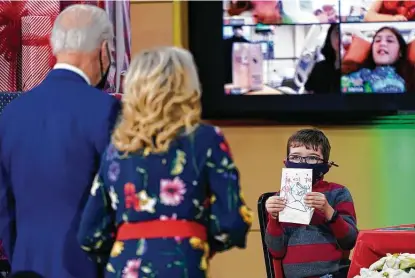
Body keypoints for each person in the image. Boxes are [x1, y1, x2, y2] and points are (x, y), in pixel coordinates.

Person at [77, 46, 252, 278]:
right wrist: (193, 238)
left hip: (124, 268)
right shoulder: (206, 140)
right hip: (182, 266)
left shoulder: (117, 149)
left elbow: (90, 235)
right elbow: (230, 223)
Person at [0, 4, 120, 278]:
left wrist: (22, 257)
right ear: (103, 50)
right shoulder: (106, 110)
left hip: (27, 265)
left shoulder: (11, 114)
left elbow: (4, 206)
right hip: (88, 266)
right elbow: (116, 197)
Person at [265, 128, 358, 278]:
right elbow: (276, 250)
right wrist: (273, 218)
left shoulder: (338, 193)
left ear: (327, 165)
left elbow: (350, 241)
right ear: (286, 162)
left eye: (312, 158)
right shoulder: (279, 199)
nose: (303, 162)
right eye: (295, 157)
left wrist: (328, 211)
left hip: (332, 274)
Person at [342, 26, 415, 93]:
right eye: (377, 40)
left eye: (389, 41)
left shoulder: (409, 79)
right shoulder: (361, 75)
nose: (382, 43)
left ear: (400, 52)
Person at [305, 24, 340, 94]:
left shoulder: (360, 69)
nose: (340, 37)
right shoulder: (319, 68)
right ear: (330, 35)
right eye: (338, 31)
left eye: (347, 33)